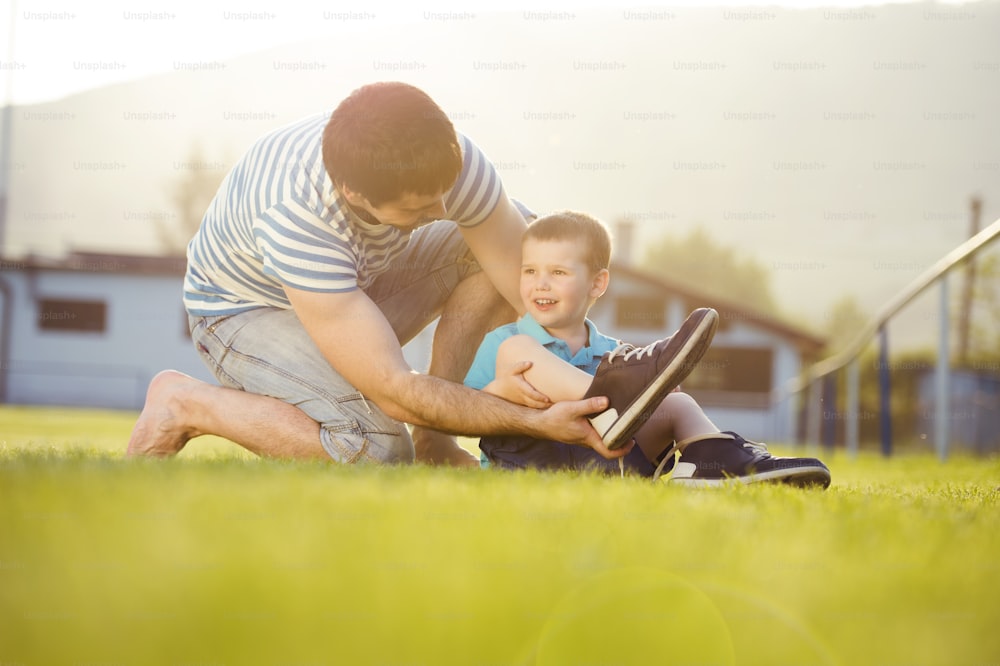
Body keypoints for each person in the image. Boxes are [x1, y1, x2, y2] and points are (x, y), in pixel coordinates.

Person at [128, 81, 704, 467]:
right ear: (355, 192)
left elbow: (528, 292)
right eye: (418, 210)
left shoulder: (449, 167)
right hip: (245, 310)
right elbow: (395, 390)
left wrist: (596, 384)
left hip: (357, 281)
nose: (438, 216)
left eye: (442, 200)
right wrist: (532, 419)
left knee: (518, 236)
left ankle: (436, 439)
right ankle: (186, 403)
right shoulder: (296, 216)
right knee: (377, 448)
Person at [463, 211, 832, 487]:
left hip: (604, 463)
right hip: (527, 460)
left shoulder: (614, 353)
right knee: (516, 349)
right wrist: (501, 392)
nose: (540, 284)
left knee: (677, 405)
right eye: (530, 271)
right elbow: (467, 410)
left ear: (597, 284)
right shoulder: (504, 342)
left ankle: (712, 462)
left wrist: (655, 398)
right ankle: (615, 402)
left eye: (558, 273)